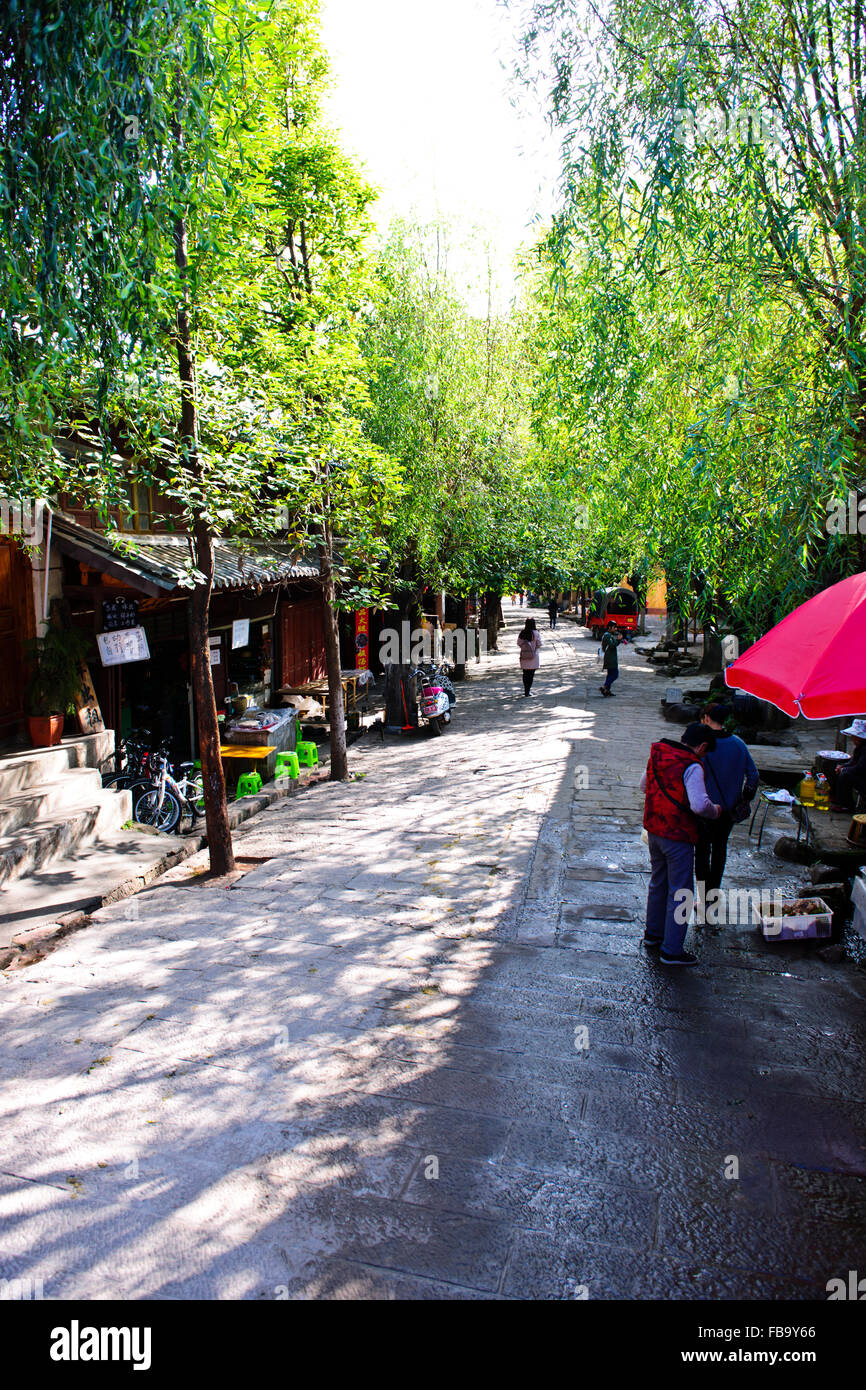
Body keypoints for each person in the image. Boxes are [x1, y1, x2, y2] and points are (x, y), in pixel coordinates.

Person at [640, 723, 722, 966]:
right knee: (681, 891)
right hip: (678, 834)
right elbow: (699, 805)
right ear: (702, 746)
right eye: (705, 752)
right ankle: (672, 950)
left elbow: (644, 786)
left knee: (658, 883)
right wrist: (715, 811)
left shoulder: (659, 752)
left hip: (654, 829)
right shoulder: (692, 765)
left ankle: (653, 934)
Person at [695, 702, 760, 896]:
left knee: (702, 850)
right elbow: (753, 775)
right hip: (729, 808)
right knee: (720, 849)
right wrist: (745, 798)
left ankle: (702, 894)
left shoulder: (701, 745)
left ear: (706, 718)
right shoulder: (738, 744)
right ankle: (713, 892)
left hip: (704, 807)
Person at [830, 718, 866, 811]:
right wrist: (843, 766)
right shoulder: (860, 747)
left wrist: (844, 769)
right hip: (861, 774)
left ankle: (846, 805)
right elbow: (854, 762)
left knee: (846, 775)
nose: (852, 738)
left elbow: (861, 767)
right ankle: (836, 797)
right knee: (839, 767)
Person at [517, 617, 542, 696]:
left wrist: (525, 648)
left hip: (524, 655)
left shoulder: (522, 633)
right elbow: (539, 644)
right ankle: (528, 691)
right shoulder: (536, 633)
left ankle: (525, 690)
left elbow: (518, 643)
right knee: (531, 674)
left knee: (525, 673)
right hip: (533, 656)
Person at [599, 628, 619, 697]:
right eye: (614, 627)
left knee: (610, 674)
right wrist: (618, 640)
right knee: (615, 674)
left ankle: (607, 690)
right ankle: (604, 687)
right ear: (610, 627)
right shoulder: (608, 635)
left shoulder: (609, 635)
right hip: (610, 658)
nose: (615, 629)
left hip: (610, 657)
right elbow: (612, 645)